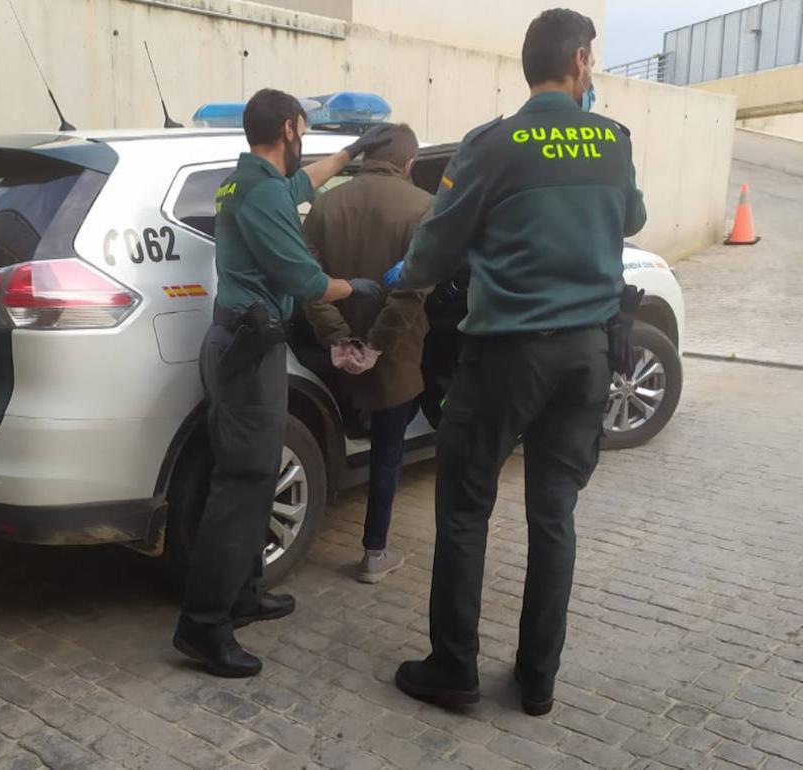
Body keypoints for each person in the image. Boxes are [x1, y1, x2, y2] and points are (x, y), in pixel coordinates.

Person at [386, 9, 647, 714]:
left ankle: (454, 668)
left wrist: (408, 271)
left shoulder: (492, 145)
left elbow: (434, 253)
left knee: (467, 506)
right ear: (582, 62)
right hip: (587, 355)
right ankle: (537, 679)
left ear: (529, 66)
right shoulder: (613, 142)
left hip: (506, 356)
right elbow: (632, 220)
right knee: (554, 514)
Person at [173, 89, 392, 679]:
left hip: (239, 343)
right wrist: (360, 288)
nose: (306, 138)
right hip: (249, 352)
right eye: (305, 128)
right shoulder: (262, 193)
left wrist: (348, 153)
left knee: (255, 473)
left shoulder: (241, 181)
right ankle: (204, 625)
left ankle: (243, 594)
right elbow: (303, 278)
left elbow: (301, 185)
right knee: (242, 485)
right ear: (291, 129)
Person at [301, 123, 434, 584]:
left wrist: (338, 338)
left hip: (329, 354)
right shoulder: (424, 208)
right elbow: (410, 296)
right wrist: (375, 347)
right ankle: (374, 553)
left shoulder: (324, 203)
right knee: (388, 452)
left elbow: (306, 280)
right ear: (409, 164)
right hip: (395, 355)